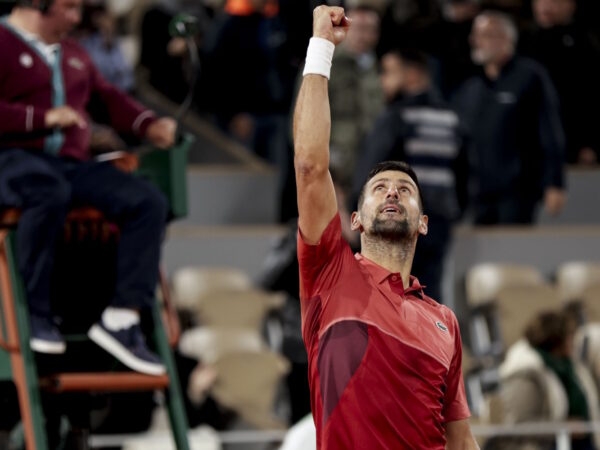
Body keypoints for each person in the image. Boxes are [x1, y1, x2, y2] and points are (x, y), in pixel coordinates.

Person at [293, 5, 478, 448]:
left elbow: (461, 440)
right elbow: (310, 166)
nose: (393, 192)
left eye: (405, 189)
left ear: (424, 223)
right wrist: (321, 48)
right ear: (354, 220)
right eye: (379, 188)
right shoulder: (329, 274)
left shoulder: (445, 323)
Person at [0, 0, 178, 376]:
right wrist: (41, 118)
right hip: (11, 158)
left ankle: (121, 317)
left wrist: (148, 123)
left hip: (68, 164)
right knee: (47, 190)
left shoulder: (74, 53)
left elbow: (107, 97)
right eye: (69, 7)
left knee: (146, 201)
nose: (78, 18)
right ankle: (34, 312)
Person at [352, 48, 469, 303]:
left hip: (396, 220)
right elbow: (466, 172)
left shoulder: (397, 117)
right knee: (430, 291)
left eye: (389, 73)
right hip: (438, 220)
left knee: (388, 292)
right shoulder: (451, 118)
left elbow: (371, 171)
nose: (383, 81)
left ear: (413, 75)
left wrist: (357, 209)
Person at [453, 10, 566, 225]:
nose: (475, 41)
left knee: (513, 253)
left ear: (506, 39)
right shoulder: (471, 87)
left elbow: (550, 131)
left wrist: (555, 182)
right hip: (478, 192)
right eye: (475, 34)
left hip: (518, 192)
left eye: (484, 34)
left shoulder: (530, 76)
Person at [486, 309, 600, 450]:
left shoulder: (570, 367)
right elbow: (521, 426)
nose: (574, 342)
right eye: (570, 337)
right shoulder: (524, 371)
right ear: (556, 341)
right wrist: (564, 428)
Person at [519, 0, 600, 165]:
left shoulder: (586, 43)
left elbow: (593, 98)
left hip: (572, 141)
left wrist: (591, 144)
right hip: (530, 143)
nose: (545, 6)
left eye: (553, 0)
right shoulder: (522, 42)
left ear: (571, 5)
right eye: (540, 0)